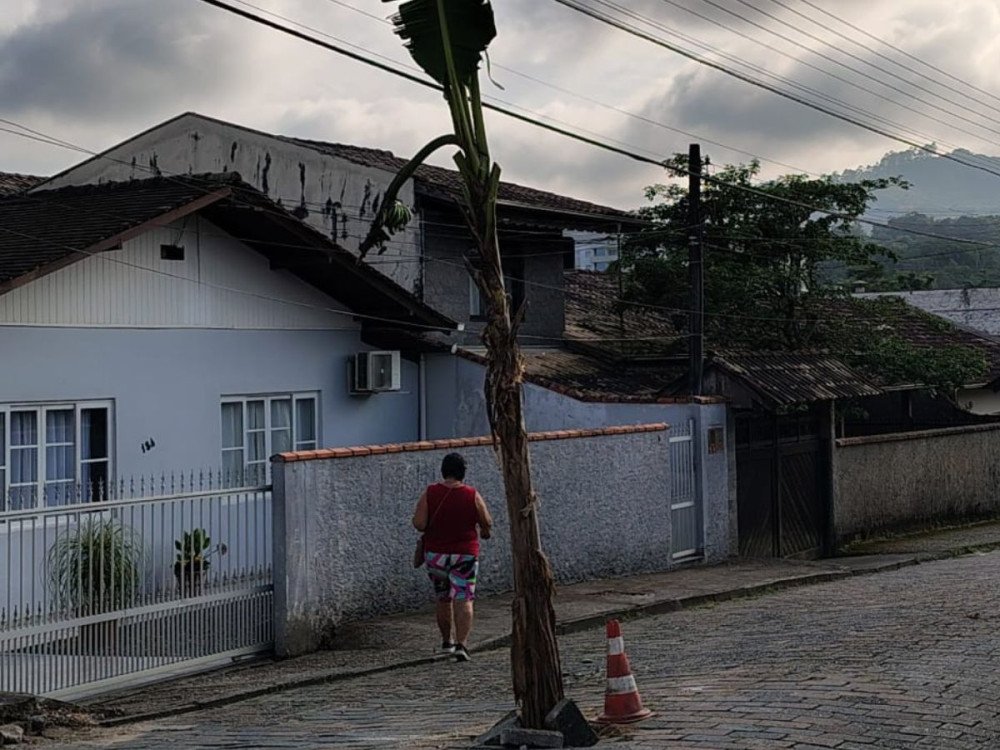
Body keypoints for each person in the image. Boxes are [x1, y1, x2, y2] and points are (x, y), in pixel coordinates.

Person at [412, 452, 493, 662]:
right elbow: (486, 521)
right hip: (465, 554)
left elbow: (419, 523)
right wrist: (484, 531)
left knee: (443, 598)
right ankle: (462, 644)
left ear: (443, 471)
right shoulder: (471, 494)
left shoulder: (430, 492)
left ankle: (446, 642)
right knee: (463, 598)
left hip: (436, 555)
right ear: (463, 472)